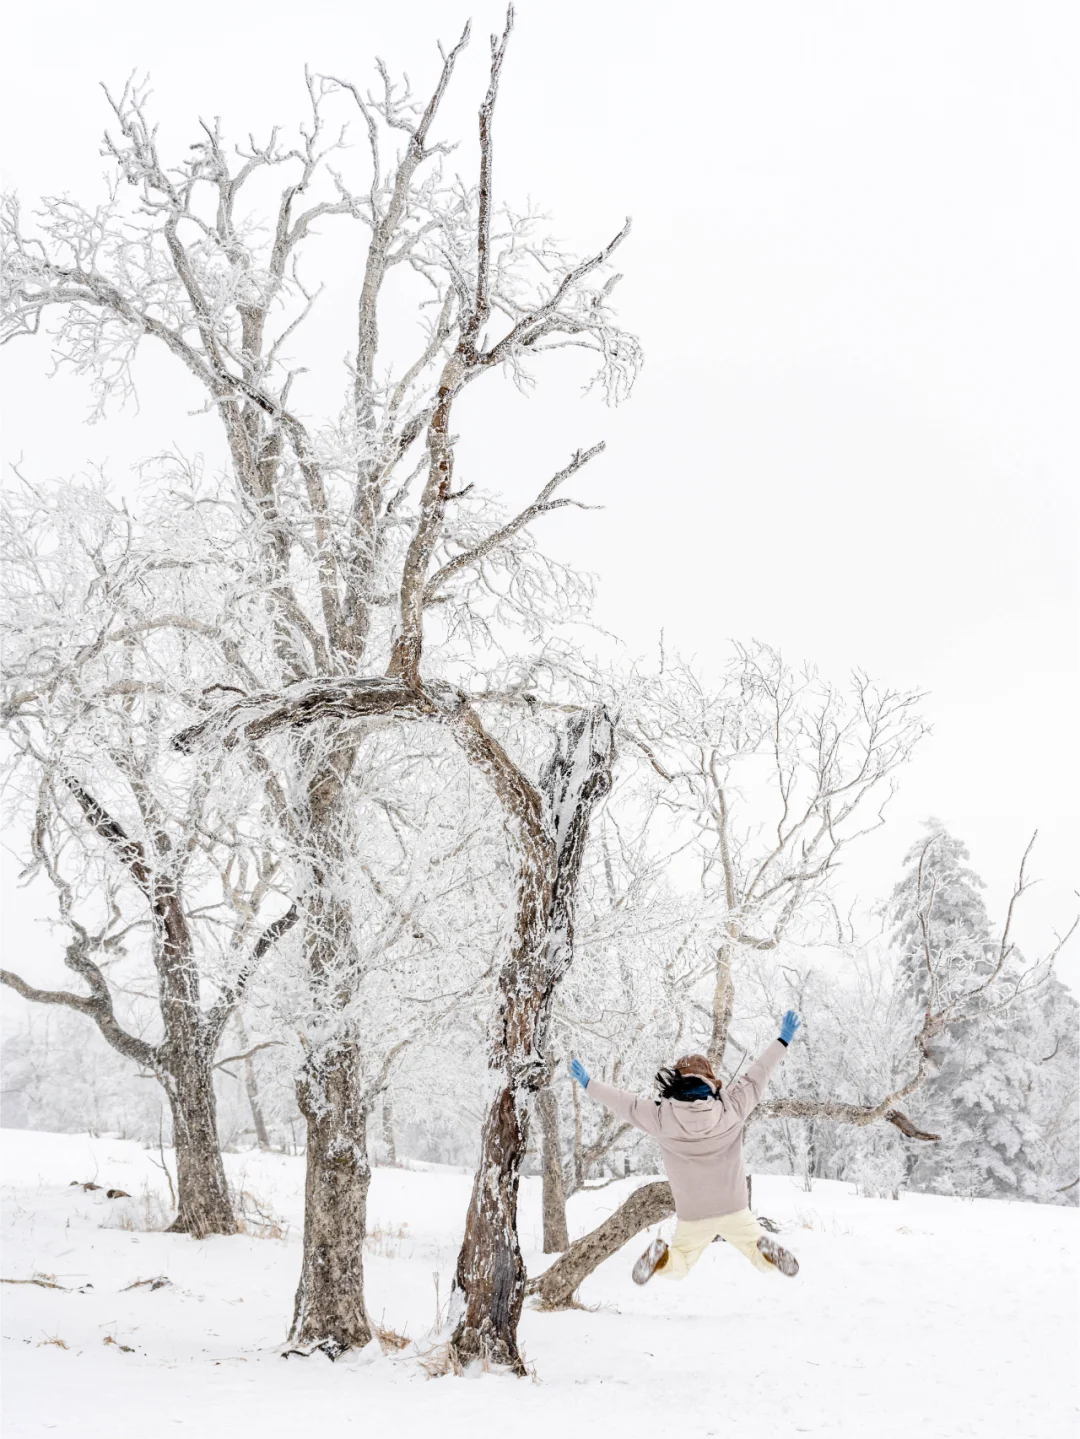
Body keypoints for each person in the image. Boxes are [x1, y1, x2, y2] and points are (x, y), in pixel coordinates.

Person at [569, 1011, 802, 1285]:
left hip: (693, 1212)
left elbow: (625, 1103)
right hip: (733, 1205)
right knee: (755, 1250)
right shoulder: (732, 1107)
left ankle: (663, 1257)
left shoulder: (661, 1117)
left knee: (680, 1263)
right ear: (709, 1080)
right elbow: (758, 1074)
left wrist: (589, 1084)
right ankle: (767, 1253)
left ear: (677, 1082)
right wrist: (782, 1040)